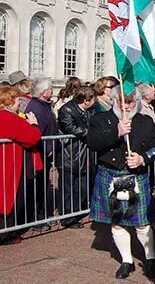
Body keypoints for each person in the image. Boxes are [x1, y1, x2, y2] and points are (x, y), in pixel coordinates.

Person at [87, 86, 155, 279]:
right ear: (114, 100)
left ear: (135, 101)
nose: (126, 106)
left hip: (137, 175)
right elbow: (92, 143)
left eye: (129, 102)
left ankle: (150, 258)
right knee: (117, 222)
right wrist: (116, 132)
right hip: (110, 175)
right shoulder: (100, 120)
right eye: (121, 101)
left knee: (142, 223)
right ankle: (127, 261)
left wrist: (143, 158)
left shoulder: (145, 121)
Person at [0, 87, 41, 245]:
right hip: (11, 164)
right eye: (17, 100)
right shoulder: (10, 118)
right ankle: (7, 233)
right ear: (9, 102)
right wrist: (34, 125)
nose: (19, 103)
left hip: (8, 162)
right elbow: (32, 137)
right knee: (12, 198)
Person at [57, 86, 96, 228]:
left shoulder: (90, 110)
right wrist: (92, 133)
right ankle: (67, 218)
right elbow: (71, 128)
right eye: (92, 100)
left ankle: (77, 212)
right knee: (68, 188)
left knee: (82, 187)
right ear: (86, 101)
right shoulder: (66, 110)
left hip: (84, 153)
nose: (94, 102)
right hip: (69, 154)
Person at [24, 77, 57, 231]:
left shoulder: (44, 105)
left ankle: (42, 215)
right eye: (50, 88)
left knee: (43, 185)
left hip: (46, 151)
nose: (52, 90)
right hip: (40, 153)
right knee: (38, 187)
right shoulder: (35, 107)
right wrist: (48, 148)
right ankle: (37, 218)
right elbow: (37, 132)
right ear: (44, 92)